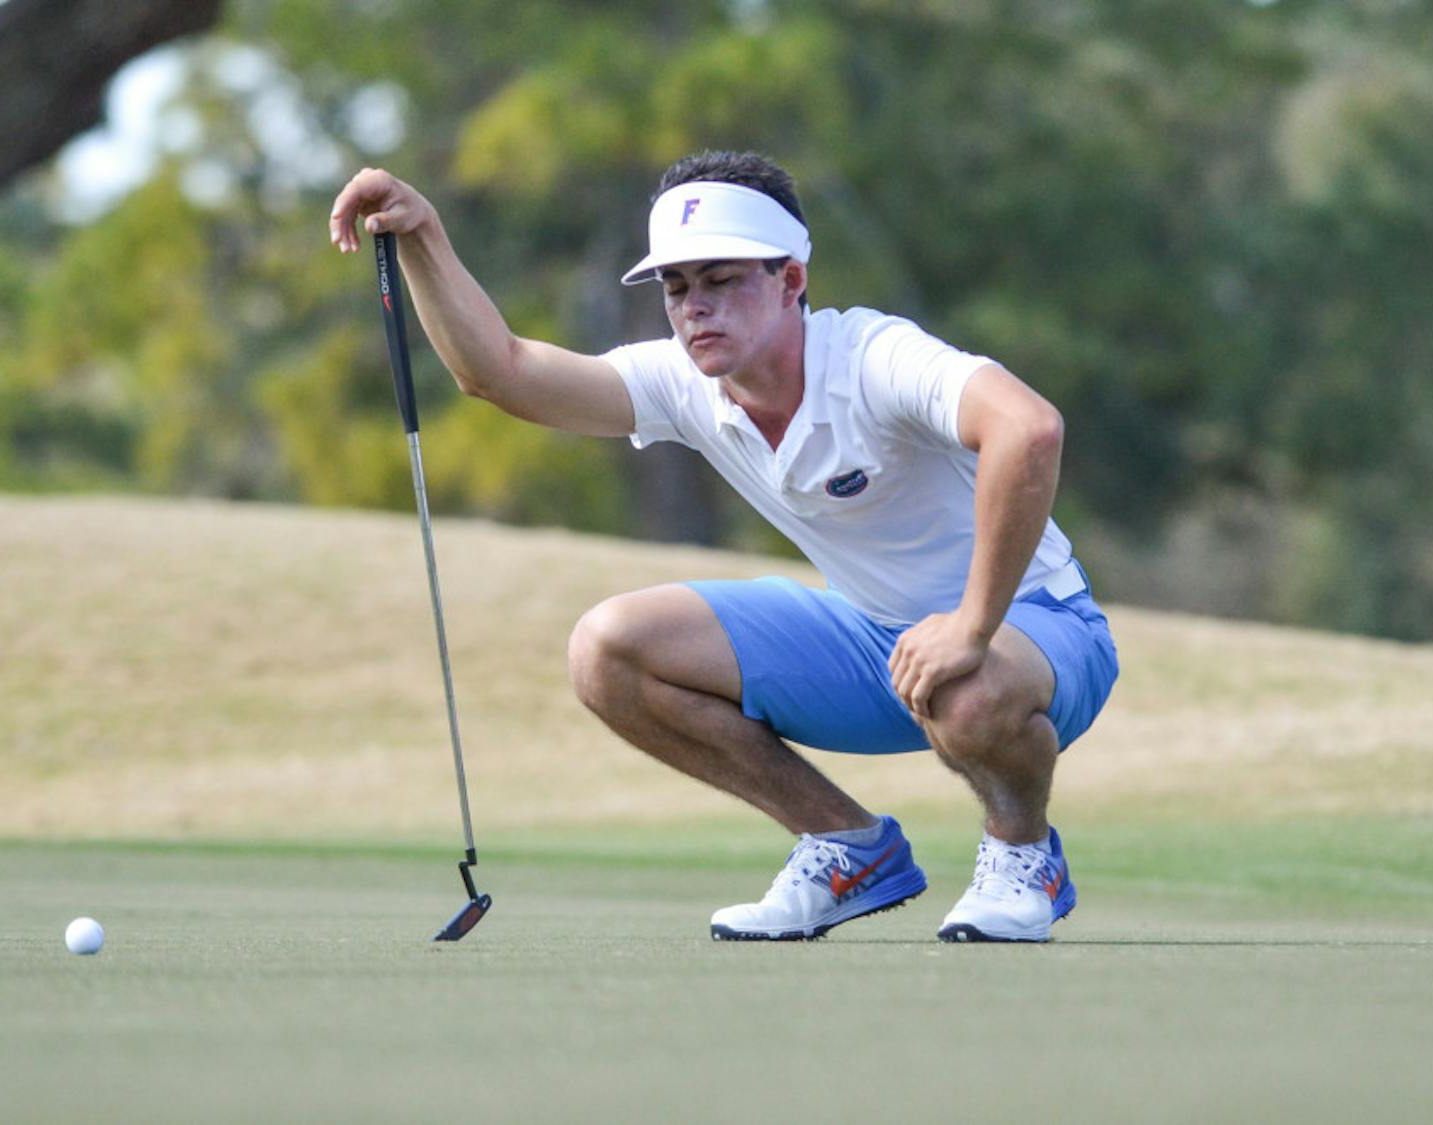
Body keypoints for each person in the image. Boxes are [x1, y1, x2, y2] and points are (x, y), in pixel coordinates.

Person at [329, 150, 1118, 943]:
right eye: (676, 288)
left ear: (791, 282)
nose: (694, 308)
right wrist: (426, 234)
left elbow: (1028, 426)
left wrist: (972, 625)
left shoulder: (873, 357)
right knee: (608, 649)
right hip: (877, 639)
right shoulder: (684, 381)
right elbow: (501, 371)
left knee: (970, 689)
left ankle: (1023, 856)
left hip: (1039, 626)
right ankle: (846, 847)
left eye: (721, 280)